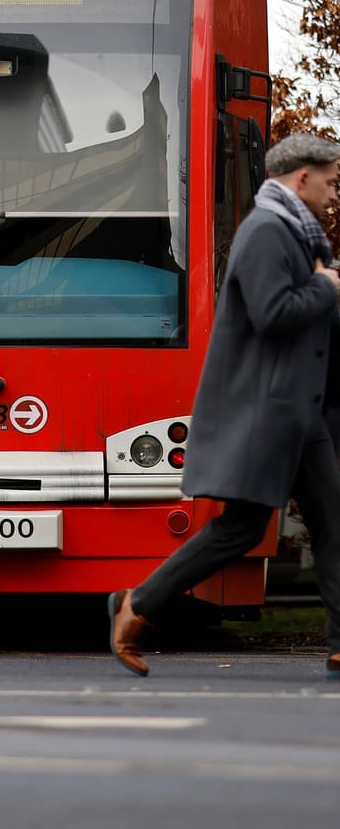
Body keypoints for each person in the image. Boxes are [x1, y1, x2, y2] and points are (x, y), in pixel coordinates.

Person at [109, 132, 340, 679]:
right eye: (330, 182)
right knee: (238, 530)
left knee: (334, 525)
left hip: (298, 413)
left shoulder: (299, 234)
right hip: (268, 413)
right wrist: (328, 287)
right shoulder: (265, 233)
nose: (334, 194)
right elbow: (272, 314)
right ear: (302, 178)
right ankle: (136, 605)